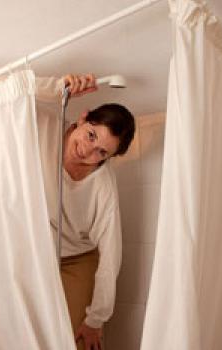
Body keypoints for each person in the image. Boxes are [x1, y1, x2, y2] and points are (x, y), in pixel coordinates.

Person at [35, 74, 135, 350]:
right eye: (91, 135)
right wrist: (56, 89)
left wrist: (96, 319)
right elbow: (12, 95)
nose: (88, 150)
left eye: (101, 152)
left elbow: (111, 253)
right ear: (82, 118)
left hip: (77, 258)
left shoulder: (103, 185)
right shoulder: (45, 128)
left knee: (75, 339)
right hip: (37, 252)